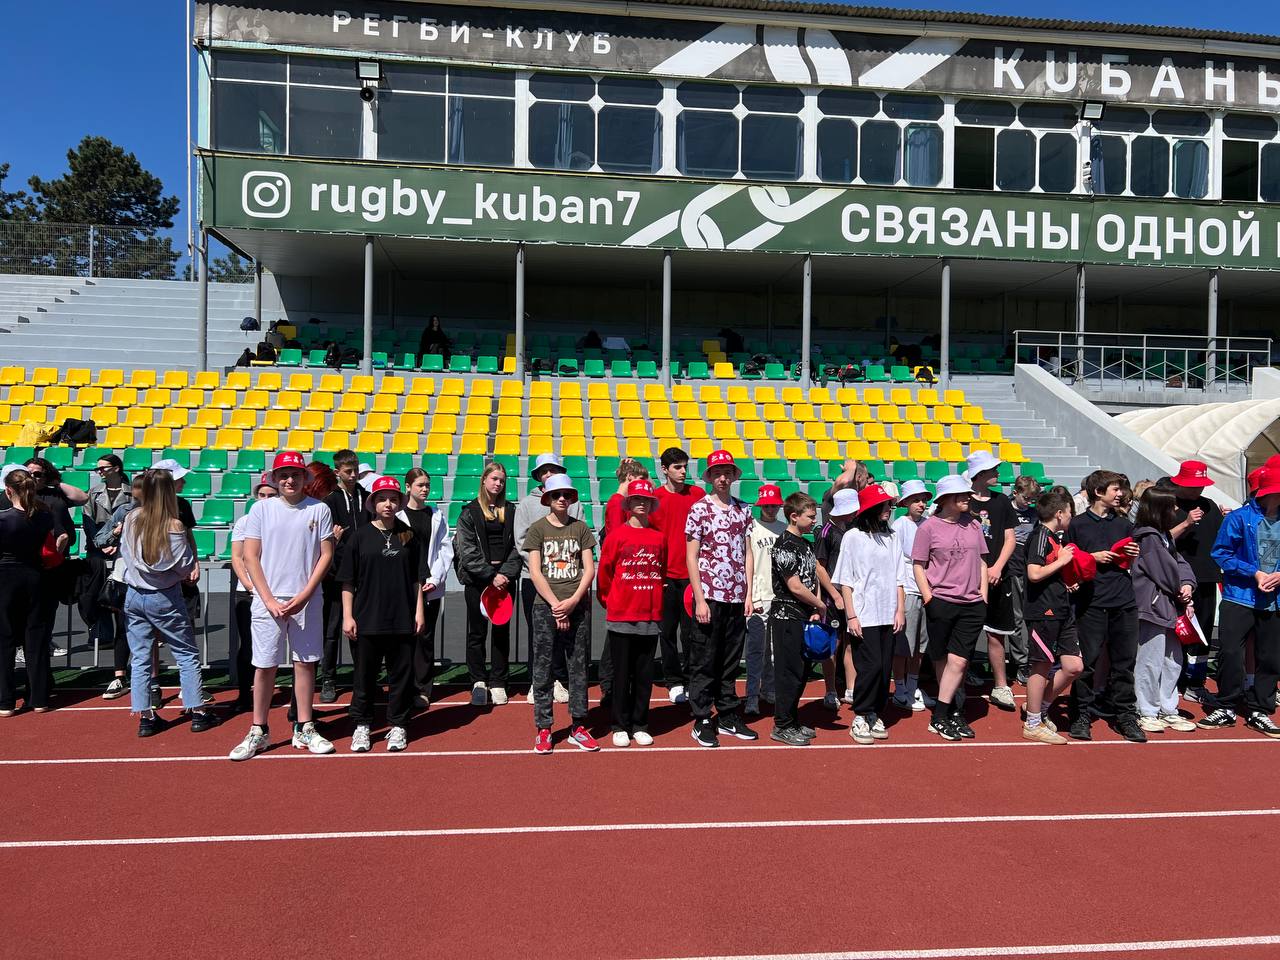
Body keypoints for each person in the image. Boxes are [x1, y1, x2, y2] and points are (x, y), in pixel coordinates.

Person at [229, 451, 336, 761]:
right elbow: (250, 556)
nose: (290, 480)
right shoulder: (261, 509)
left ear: (305, 478)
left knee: (305, 663)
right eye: (284, 475)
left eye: (296, 474)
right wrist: (268, 599)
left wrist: (304, 595)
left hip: (307, 601)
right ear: (275, 479)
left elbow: (326, 555)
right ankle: (258, 729)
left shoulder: (319, 509)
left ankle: (305, 727)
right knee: (264, 665)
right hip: (268, 602)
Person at [119, 469, 219, 738]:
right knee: (186, 653)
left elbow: (125, 553)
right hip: (164, 595)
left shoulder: (132, 517)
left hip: (135, 593)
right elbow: (184, 566)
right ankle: (197, 711)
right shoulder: (174, 525)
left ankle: (146, 717)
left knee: (140, 656)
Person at [340, 477, 424, 753]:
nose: (388, 504)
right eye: (382, 499)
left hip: (402, 617)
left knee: (401, 676)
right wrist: (348, 616)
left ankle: (398, 724)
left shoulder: (408, 535)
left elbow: (417, 578)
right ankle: (362, 725)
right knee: (364, 677)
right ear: (373, 503)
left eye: (393, 499)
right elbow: (348, 581)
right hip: (367, 618)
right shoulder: (359, 536)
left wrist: (419, 611)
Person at [1067, 470, 1145, 743]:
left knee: (1124, 664)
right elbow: (1069, 560)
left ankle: (1125, 716)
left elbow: (1128, 560)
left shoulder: (1124, 524)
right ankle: (1080, 714)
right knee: (1086, 664)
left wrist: (1131, 554)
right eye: (1115, 489)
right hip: (1091, 602)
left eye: (1120, 489)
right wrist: (1092, 557)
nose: (1120, 494)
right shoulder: (1077, 525)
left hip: (1123, 601)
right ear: (1099, 492)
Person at [685, 449, 757, 747]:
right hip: (710, 595)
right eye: (717, 473)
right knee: (705, 658)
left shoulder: (744, 509)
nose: (723, 478)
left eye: (727, 473)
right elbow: (691, 556)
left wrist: (749, 592)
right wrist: (700, 599)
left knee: (730, 660)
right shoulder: (699, 509)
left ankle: (727, 714)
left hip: (737, 596)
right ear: (710, 477)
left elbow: (748, 552)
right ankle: (702, 717)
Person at [1202, 468, 1280, 738]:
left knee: (1271, 656)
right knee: (1231, 653)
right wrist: (1254, 573)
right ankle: (1226, 705)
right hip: (1239, 597)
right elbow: (1220, 553)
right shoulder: (1240, 517)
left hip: (1275, 600)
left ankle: (1260, 709)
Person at [524, 473, 599, 754]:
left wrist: (573, 601)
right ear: (547, 499)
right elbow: (535, 572)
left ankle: (578, 726)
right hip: (545, 607)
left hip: (576, 606)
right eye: (556, 495)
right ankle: (544, 728)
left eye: (567, 495)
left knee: (578, 667)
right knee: (542, 668)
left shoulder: (580, 528)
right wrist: (557, 605)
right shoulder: (537, 529)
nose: (562, 499)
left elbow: (589, 569)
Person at [912, 474, 988, 742]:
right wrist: (929, 597)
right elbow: (918, 565)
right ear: (946, 499)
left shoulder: (974, 525)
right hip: (941, 602)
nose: (968, 498)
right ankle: (951, 710)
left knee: (960, 660)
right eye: (962, 494)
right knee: (943, 659)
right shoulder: (928, 528)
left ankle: (941, 714)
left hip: (972, 603)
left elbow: (982, 561)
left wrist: (983, 595)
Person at [834, 483, 907, 744]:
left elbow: (899, 577)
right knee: (870, 666)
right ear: (871, 508)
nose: (889, 508)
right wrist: (851, 615)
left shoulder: (892, 537)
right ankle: (861, 714)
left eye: (889, 504)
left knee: (885, 668)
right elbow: (845, 581)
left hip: (888, 613)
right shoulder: (853, 537)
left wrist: (900, 610)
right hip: (864, 614)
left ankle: (875, 712)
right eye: (884, 505)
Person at [597, 478, 666, 747]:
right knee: (621, 673)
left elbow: (661, 572)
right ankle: (619, 724)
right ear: (628, 503)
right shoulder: (616, 536)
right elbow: (604, 575)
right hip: (621, 615)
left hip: (650, 615)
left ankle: (640, 723)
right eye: (636, 499)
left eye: (646, 500)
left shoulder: (659, 537)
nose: (641, 504)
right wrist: (612, 602)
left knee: (644, 675)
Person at [1130, 487, 1199, 735]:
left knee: (1172, 659)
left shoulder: (1163, 536)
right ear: (1160, 509)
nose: (1176, 509)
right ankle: (1146, 710)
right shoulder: (1148, 537)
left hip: (1168, 605)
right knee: (1150, 659)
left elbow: (1180, 563)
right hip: (1153, 606)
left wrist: (1187, 585)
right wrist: (1181, 589)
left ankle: (1167, 708)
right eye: (1171, 506)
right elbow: (1165, 571)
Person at [514, 454, 581, 705]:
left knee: (564, 631)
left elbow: (580, 536)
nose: (549, 474)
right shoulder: (526, 504)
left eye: (553, 469)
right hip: (533, 578)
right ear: (538, 476)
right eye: (544, 471)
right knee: (539, 633)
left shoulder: (573, 502)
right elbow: (521, 540)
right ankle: (538, 681)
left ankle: (560, 679)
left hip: (566, 579)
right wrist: (542, 566)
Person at [454, 461, 521, 706]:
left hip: (505, 580)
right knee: (477, 632)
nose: (498, 483)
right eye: (494, 478)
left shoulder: (512, 511)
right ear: (484, 480)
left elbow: (519, 546)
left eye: (502, 480)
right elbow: (467, 550)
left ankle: (499, 681)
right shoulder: (469, 512)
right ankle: (478, 681)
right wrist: (490, 575)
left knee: (502, 632)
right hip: (478, 581)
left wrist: (504, 574)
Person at [1022, 490, 1085, 744]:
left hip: (1061, 608)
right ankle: (1033, 723)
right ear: (1059, 514)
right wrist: (1062, 562)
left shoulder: (1053, 538)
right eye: (1069, 512)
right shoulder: (1040, 536)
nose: (1071, 517)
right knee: (1042, 664)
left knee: (1074, 666)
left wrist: (1065, 581)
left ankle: (1039, 708)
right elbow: (1034, 573)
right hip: (1043, 611)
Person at [1161, 461, 1224, 705]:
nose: (1199, 489)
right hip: (1175, 579)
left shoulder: (1209, 506)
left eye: (1201, 484)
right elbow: (1159, 541)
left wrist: (1227, 518)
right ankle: (1170, 682)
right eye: (1194, 485)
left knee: (1202, 631)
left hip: (1207, 577)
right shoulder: (1168, 505)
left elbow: (1220, 537)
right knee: (1176, 631)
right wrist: (1186, 523)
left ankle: (1195, 683)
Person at [768, 492, 826, 746]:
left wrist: (816, 607)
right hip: (786, 615)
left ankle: (791, 720)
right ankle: (782, 725)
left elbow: (813, 578)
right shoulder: (784, 545)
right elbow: (795, 586)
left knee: (801, 671)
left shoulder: (806, 544)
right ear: (794, 516)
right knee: (788, 672)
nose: (814, 521)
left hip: (804, 613)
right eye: (810, 516)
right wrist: (820, 604)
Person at [965, 451, 1018, 712]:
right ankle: (961, 677)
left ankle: (1000, 685)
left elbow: (1010, 539)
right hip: (968, 578)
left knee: (996, 634)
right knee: (964, 632)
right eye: (992, 469)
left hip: (998, 577)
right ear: (979, 473)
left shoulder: (1002, 501)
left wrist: (997, 567)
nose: (998, 473)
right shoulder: (963, 500)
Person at [0, 468, 55, 717]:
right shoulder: (43, 516)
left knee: (5, 639)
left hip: (5, 578)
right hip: (35, 576)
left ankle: (5, 701)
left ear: (8, 491)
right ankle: (40, 698)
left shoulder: (3, 519)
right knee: (36, 637)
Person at [652, 447, 704, 704]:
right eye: (677, 467)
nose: (683, 471)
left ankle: (693, 679)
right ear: (664, 469)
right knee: (667, 632)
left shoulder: (698, 495)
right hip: (665, 577)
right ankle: (673, 680)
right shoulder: (655, 498)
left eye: (685, 466)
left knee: (692, 633)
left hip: (693, 576)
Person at [400, 469, 452, 708]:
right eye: (420, 485)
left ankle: (422, 689)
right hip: (403, 586)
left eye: (427, 485)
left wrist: (435, 578)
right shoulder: (398, 515)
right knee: (402, 638)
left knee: (425, 638)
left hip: (430, 586)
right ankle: (403, 687)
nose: (425, 489)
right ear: (408, 487)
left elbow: (444, 548)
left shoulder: (436, 515)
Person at [84, 454, 133, 700]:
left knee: (121, 610)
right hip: (99, 550)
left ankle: (124, 670)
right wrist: (103, 543)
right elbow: (88, 522)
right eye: (98, 468)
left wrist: (114, 542)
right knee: (95, 598)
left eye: (103, 468)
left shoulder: (131, 493)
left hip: (123, 551)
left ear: (116, 468)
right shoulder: (93, 493)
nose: (99, 471)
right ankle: (100, 633)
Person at [320, 450, 366, 703]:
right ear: (337, 472)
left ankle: (362, 676)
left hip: (362, 576)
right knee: (332, 629)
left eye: (355, 470)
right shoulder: (329, 502)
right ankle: (328, 678)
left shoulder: (366, 498)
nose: (353, 475)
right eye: (348, 471)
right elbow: (323, 542)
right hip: (336, 578)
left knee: (362, 630)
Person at [229, 473, 278, 712]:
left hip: (278, 591)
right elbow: (237, 558)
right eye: (261, 494)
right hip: (248, 593)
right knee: (248, 645)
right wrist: (251, 586)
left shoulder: (284, 520)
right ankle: (244, 695)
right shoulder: (245, 522)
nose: (265, 499)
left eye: (271, 495)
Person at [890, 480, 934, 712]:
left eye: (923, 500)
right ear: (906, 502)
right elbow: (896, 560)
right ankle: (900, 689)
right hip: (908, 589)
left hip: (928, 589)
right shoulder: (899, 526)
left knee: (921, 644)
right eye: (916, 500)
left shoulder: (928, 524)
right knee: (904, 644)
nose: (921, 504)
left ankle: (912, 686)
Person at [745, 484, 786, 716]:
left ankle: (768, 689)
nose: (770, 509)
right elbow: (747, 564)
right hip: (758, 596)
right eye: (766, 505)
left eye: (774, 505)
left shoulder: (783, 529)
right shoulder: (752, 528)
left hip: (779, 596)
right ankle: (752, 695)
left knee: (773, 650)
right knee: (755, 650)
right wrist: (752, 596)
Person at [817, 487, 858, 709]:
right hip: (833, 598)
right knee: (833, 645)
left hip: (851, 594)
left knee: (851, 642)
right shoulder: (826, 532)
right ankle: (831, 690)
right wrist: (835, 594)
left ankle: (851, 689)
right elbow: (819, 567)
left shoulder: (853, 530)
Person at [1007, 475, 1043, 687]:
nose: (1029, 503)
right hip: (1013, 569)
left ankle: (1032, 657)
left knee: (1031, 616)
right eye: (1026, 498)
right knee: (1017, 617)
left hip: (1031, 569)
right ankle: (1021, 663)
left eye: (1032, 499)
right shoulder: (1007, 510)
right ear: (1015, 493)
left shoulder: (1034, 513)